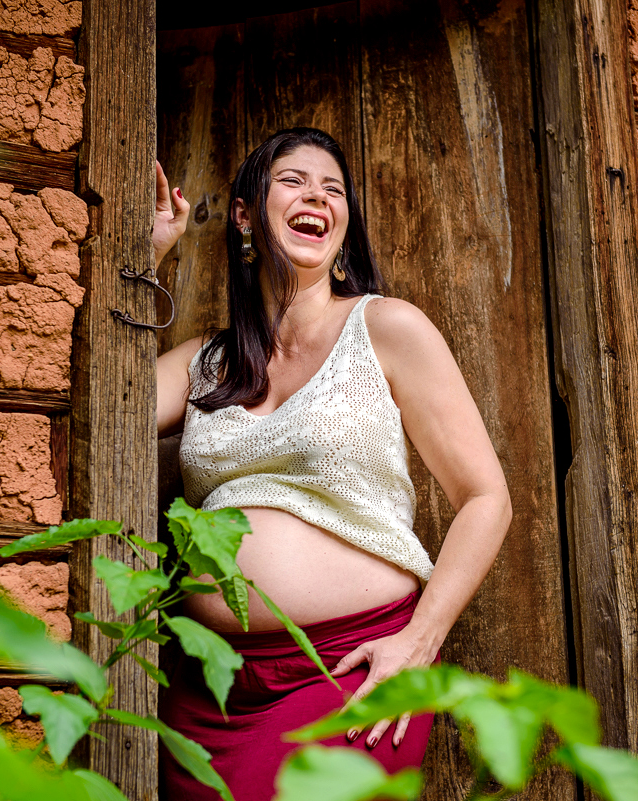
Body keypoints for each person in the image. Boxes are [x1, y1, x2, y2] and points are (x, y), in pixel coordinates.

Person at [152, 127, 511, 801]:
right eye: (292, 180)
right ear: (244, 212)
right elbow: (113, 407)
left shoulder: (387, 329)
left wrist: (419, 641)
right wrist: (145, 259)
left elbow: (487, 497)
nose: (316, 194)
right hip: (209, 690)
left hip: (352, 669)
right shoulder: (207, 361)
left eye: (333, 188)